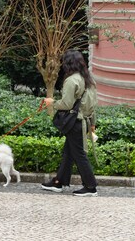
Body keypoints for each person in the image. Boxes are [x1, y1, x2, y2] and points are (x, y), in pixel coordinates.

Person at [40, 49, 98, 197]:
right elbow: (92, 104)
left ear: (68, 63)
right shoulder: (88, 78)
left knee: (79, 154)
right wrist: (93, 123)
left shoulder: (72, 80)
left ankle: (91, 187)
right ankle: (58, 182)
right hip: (82, 121)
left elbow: (66, 104)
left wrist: (51, 102)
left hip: (75, 122)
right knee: (69, 153)